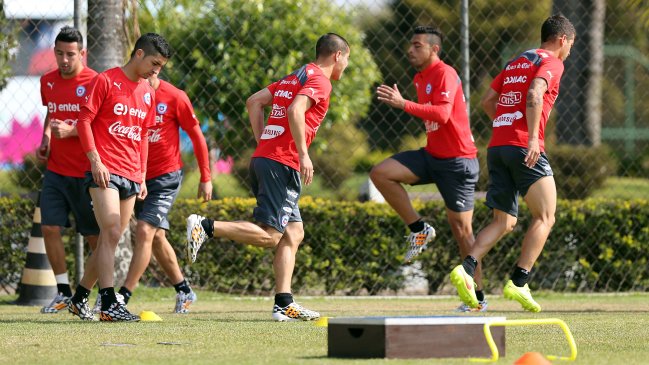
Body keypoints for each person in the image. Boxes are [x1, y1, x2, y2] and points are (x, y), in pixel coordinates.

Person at [185, 33, 350, 321]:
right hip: (283, 163)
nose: (345, 66)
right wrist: (303, 154)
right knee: (271, 237)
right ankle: (206, 226)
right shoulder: (320, 81)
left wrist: (264, 140)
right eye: (347, 59)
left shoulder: (295, 76)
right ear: (338, 56)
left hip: (267, 158)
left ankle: (283, 303)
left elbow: (254, 101)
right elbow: (295, 110)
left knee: (294, 233)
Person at [450, 14, 575, 312]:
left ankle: (466, 269)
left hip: (498, 146)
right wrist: (532, 137)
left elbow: (487, 101)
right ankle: (519, 281)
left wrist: (506, 125)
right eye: (570, 44)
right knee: (546, 216)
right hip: (524, 147)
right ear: (562, 40)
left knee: (503, 221)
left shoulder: (517, 61)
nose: (569, 50)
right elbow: (535, 94)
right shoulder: (554, 62)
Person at [370, 26, 484, 311]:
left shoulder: (445, 73)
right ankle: (419, 229)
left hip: (458, 162)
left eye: (417, 45)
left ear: (435, 49)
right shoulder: (420, 77)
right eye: (410, 44)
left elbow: (444, 114)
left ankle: (477, 300)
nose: (410, 49)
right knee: (381, 173)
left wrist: (403, 103)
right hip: (433, 155)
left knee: (463, 232)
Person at [67, 33, 172, 322]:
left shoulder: (149, 93)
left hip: (130, 174)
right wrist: (95, 160)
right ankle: (108, 304)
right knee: (112, 231)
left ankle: (78, 299)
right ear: (138, 54)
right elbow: (84, 121)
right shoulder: (105, 80)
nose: (156, 71)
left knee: (108, 239)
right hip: (104, 170)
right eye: (154, 63)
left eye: (161, 66)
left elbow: (144, 137)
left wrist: (142, 176)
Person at [114, 72, 212, 313]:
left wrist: (206, 177)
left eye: (156, 66)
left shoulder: (175, 97)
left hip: (166, 177)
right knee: (156, 237)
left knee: (145, 230)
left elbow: (197, 136)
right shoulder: (128, 94)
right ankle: (184, 290)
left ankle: (123, 297)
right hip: (137, 177)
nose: (150, 72)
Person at [37, 26, 100, 314]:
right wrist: (46, 140)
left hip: (86, 174)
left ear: (82, 54)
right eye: (60, 53)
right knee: (49, 227)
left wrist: (72, 131)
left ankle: (96, 294)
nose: (64, 60)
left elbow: (99, 125)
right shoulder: (47, 81)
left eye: (70, 55)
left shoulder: (95, 82)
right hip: (56, 171)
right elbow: (52, 112)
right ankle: (63, 291)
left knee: (96, 238)